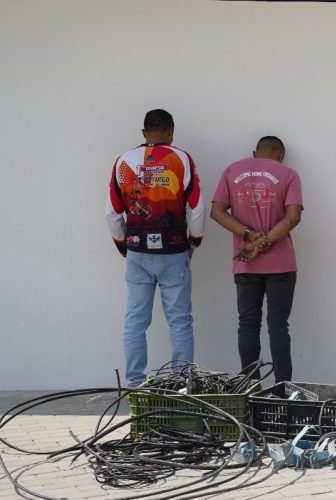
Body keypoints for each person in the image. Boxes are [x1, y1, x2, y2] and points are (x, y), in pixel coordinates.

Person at [105, 109, 205, 387]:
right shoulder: (181, 159)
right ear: (171, 132)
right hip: (174, 251)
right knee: (180, 322)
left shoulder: (123, 161)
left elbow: (112, 214)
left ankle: (135, 385)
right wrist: (194, 242)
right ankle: (180, 385)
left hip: (137, 251)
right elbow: (196, 209)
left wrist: (124, 246)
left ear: (143, 132)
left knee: (135, 321)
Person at [210, 136, 303, 382]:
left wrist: (249, 236)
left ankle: (250, 386)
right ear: (280, 155)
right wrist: (267, 240)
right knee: (278, 326)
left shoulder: (231, 171)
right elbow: (293, 217)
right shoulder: (289, 174)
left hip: (244, 261)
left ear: (254, 153)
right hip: (281, 264)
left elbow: (216, 212)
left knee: (248, 325)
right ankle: (282, 388)